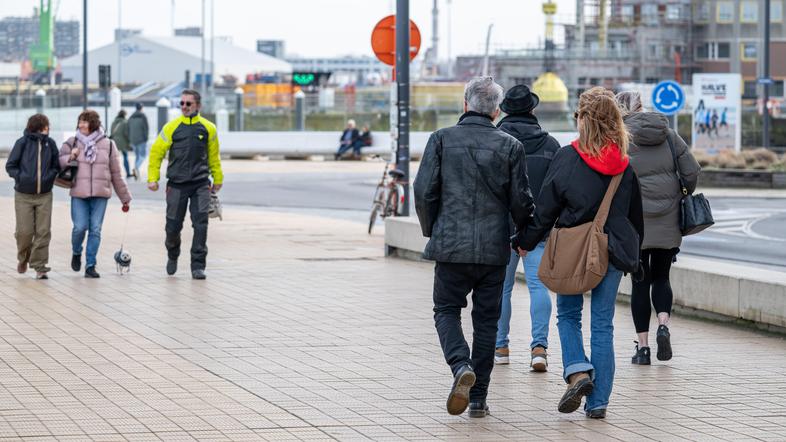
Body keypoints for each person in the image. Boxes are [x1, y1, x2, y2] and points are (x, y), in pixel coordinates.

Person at [516, 87, 643, 419]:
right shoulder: (624, 163)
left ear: (583, 120)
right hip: (613, 250)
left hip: (573, 248)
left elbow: (545, 209)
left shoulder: (568, 157)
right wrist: (635, 258)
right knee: (603, 325)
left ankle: (578, 372)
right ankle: (598, 403)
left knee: (569, 315)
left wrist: (526, 240)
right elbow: (634, 217)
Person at [414, 77, 534, 418]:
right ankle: (478, 396)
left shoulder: (441, 139)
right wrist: (523, 235)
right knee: (487, 323)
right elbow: (521, 200)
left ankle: (459, 366)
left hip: (451, 246)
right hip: (494, 249)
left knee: (446, 311)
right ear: (497, 110)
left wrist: (432, 230)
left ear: (465, 104)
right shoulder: (510, 145)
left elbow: (423, 191)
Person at [615, 91, 701, 365]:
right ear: (643, 107)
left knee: (640, 283)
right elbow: (692, 170)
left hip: (634, 220)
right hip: (668, 216)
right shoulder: (669, 133)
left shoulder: (620, 137)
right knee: (662, 277)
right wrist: (683, 191)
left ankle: (643, 348)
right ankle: (664, 324)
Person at [494, 84, 560, 371]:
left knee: (501, 289)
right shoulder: (550, 145)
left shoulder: (495, 140)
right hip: (538, 231)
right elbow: (556, 193)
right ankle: (538, 348)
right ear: (532, 109)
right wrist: (536, 229)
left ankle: (501, 347)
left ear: (505, 109)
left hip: (499, 229)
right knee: (538, 287)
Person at [148, 89, 224, 280]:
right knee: (172, 227)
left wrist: (218, 178)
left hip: (200, 184)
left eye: (188, 104)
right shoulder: (171, 127)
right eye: (181, 103)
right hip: (176, 185)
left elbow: (214, 156)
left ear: (198, 106)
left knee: (201, 225)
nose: (184, 107)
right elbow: (156, 153)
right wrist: (152, 178)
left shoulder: (209, 128)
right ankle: (172, 254)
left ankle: (198, 266)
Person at [60, 110, 132, 278]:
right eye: (79, 121)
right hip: (78, 193)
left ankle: (90, 265)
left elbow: (116, 173)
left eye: (84, 122)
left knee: (95, 229)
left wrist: (125, 198)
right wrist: (71, 155)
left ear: (93, 124)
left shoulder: (108, 144)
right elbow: (58, 161)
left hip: (101, 194)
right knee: (79, 228)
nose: (80, 125)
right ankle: (76, 251)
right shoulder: (72, 142)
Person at [6, 114, 61, 279]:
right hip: (23, 195)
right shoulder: (22, 143)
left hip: (44, 195)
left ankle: (39, 266)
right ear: (40, 127)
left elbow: (55, 166)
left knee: (43, 231)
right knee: (24, 232)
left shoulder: (50, 144)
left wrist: (49, 177)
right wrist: (22, 178)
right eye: (46, 126)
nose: (48, 128)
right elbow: (10, 165)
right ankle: (23, 258)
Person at [127, 102, 150, 180]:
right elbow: (146, 128)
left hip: (132, 140)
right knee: (143, 155)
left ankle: (137, 173)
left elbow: (128, 128)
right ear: (142, 108)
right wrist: (146, 138)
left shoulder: (131, 117)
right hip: (141, 140)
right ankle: (136, 168)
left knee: (137, 156)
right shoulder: (143, 116)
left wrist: (129, 139)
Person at [110, 109, 132, 178]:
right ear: (124, 115)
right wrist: (129, 142)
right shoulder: (125, 122)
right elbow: (126, 134)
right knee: (125, 157)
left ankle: (112, 173)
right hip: (123, 142)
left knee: (113, 158)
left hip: (114, 142)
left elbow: (111, 132)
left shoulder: (113, 122)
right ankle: (128, 173)